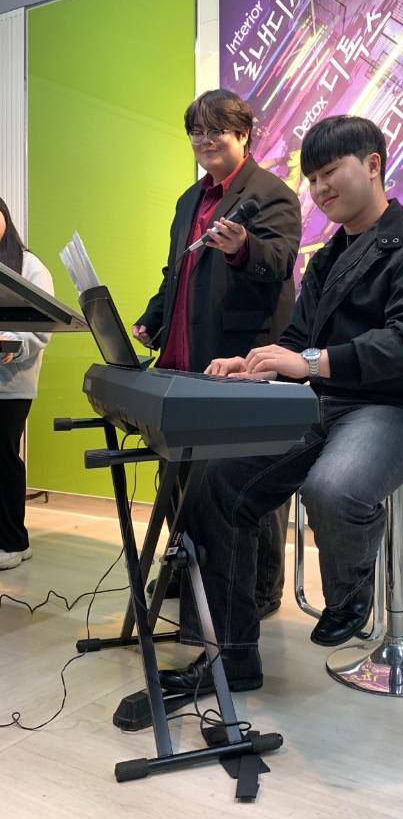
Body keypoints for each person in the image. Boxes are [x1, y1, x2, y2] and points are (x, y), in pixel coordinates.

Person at [157, 115, 403, 695]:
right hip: (324, 405)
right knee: (217, 481)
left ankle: (350, 593)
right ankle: (232, 656)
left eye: (331, 172)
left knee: (333, 488)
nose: (321, 188)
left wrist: (306, 362)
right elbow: (299, 339)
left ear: (373, 164)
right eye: (313, 179)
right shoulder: (328, 258)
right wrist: (253, 363)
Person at [132, 89, 301, 617]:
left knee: (244, 478)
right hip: (183, 357)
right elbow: (177, 271)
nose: (204, 140)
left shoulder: (272, 192)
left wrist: (243, 248)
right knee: (182, 476)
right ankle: (195, 571)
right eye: (196, 132)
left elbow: (280, 261)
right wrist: (153, 317)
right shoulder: (190, 199)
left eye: (215, 130)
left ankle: (260, 589)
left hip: (240, 357)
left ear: (243, 134)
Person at [0, 198, 53, 570]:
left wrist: (11, 346)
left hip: (11, 384)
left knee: (3, 458)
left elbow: (43, 326)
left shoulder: (30, 266)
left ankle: (13, 542)